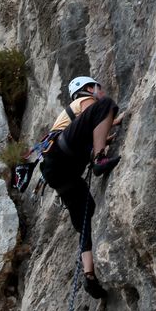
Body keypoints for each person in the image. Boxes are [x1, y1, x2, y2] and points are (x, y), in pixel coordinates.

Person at [40, 76, 121, 298]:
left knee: (86, 211)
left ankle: (89, 274)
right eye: (98, 88)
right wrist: (115, 117)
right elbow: (100, 114)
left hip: (57, 171)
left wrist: (105, 137)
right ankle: (100, 159)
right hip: (64, 155)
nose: (100, 91)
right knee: (106, 106)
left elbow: (93, 130)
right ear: (88, 89)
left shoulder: (74, 122)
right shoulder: (84, 101)